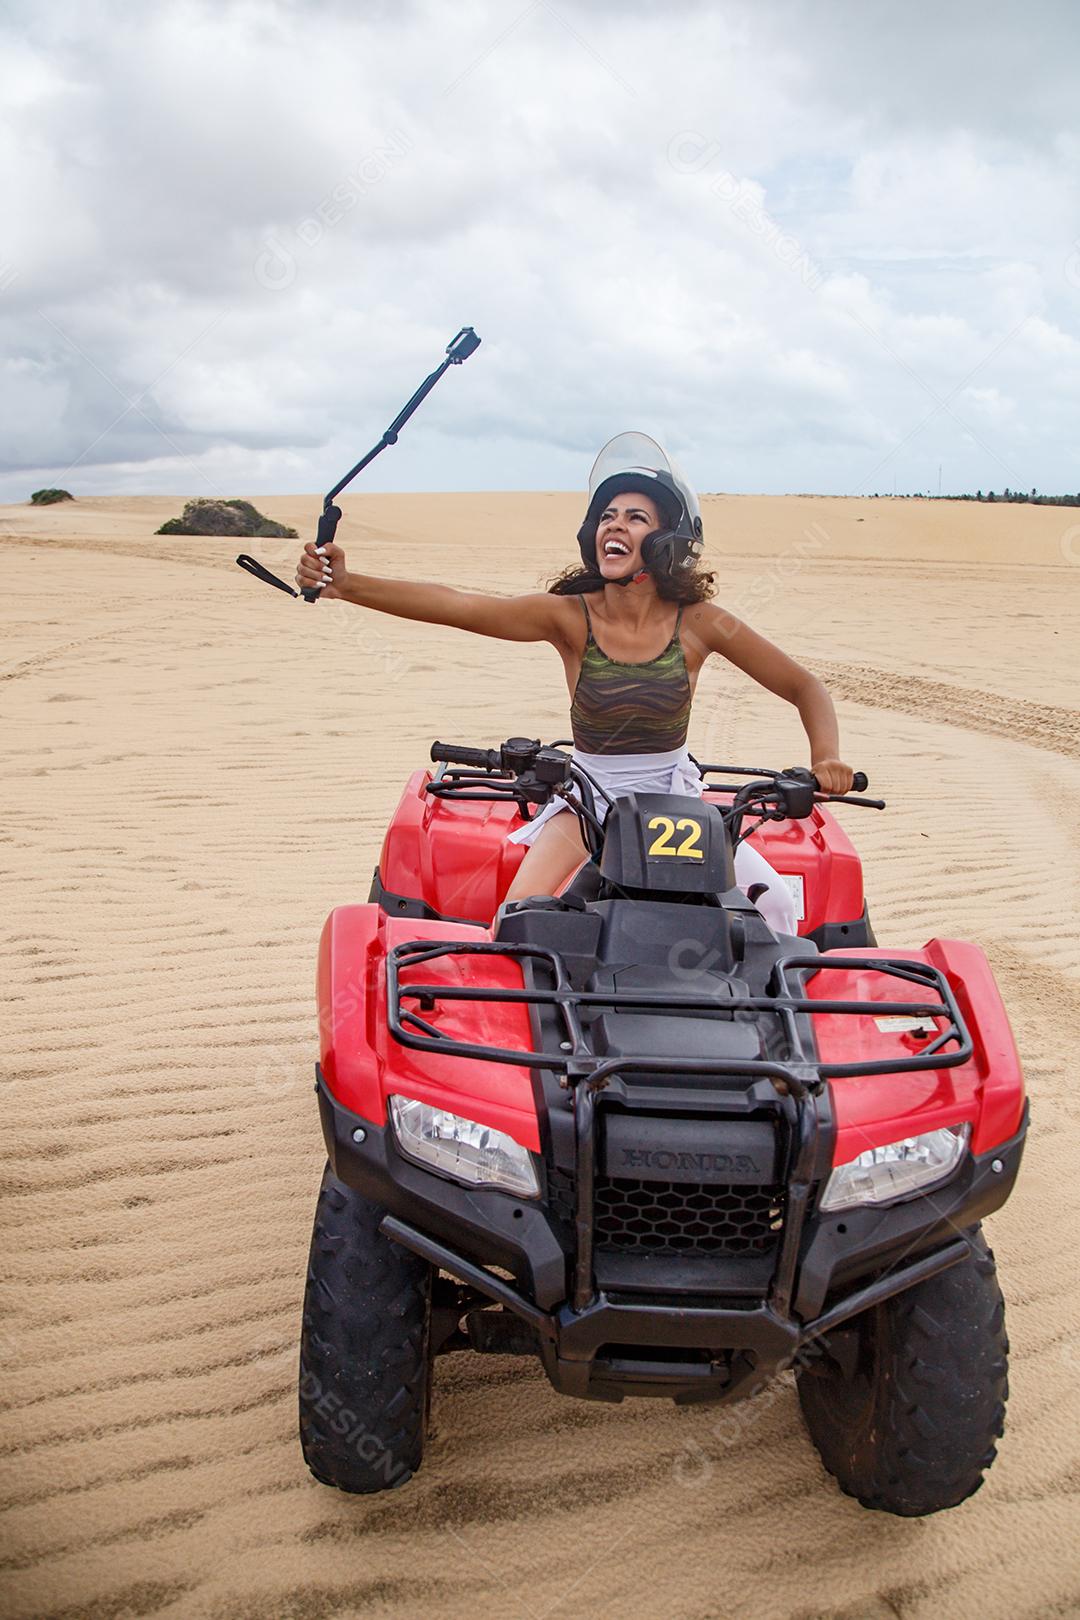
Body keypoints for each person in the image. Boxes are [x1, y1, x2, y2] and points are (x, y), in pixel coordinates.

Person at [294, 432, 854, 933]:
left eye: (636, 517)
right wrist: (348, 584)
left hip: (677, 799)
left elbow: (805, 686)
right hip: (590, 800)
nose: (616, 524)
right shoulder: (569, 618)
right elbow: (460, 605)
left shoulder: (700, 622)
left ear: (667, 541)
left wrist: (827, 756)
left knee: (777, 907)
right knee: (516, 919)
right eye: (608, 515)